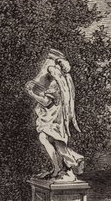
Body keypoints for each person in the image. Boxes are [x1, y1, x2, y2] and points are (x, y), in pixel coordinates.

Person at [24, 48, 85, 181]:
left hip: (52, 117)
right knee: (53, 141)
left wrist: (31, 93)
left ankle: (65, 167)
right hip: (54, 117)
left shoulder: (54, 80)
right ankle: (69, 163)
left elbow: (47, 103)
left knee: (49, 139)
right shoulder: (62, 79)